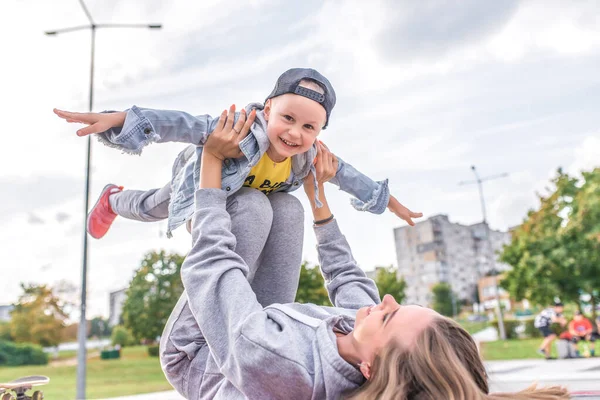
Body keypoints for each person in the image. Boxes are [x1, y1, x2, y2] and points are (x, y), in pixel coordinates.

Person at [158, 115, 569, 399]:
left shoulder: (284, 366)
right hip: (259, 330)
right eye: (402, 305)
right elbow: (348, 279)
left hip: (199, 353)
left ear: (370, 369)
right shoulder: (369, 344)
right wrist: (318, 196)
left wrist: (211, 166)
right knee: (288, 210)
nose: (385, 302)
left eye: (389, 315)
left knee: (248, 206)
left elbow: (213, 271)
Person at [54, 68, 421, 240]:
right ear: (267, 111)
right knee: (153, 207)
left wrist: (393, 205)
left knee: (276, 211)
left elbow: (353, 178)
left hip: (246, 206)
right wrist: (118, 120)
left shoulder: (310, 156)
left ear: (319, 132)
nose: (295, 133)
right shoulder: (241, 128)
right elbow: (182, 124)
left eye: (308, 128)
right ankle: (113, 199)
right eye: (287, 119)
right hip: (198, 187)